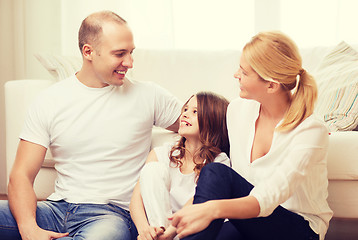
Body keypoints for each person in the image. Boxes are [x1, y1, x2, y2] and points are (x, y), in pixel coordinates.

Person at [0, 10, 182, 240]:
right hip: (56, 210)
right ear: (88, 52)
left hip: (111, 216)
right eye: (120, 54)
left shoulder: (149, 95)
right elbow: (21, 175)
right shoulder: (50, 100)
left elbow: (204, 123)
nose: (129, 62)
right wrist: (30, 230)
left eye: (131, 52)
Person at [170, 31, 333, 240]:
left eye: (244, 72)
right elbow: (220, 184)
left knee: (216, 175)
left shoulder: (310, 130)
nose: (236, 74)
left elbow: (268, 196)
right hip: (249, 221)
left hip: (298, 229)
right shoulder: (238, 110)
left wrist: (213, 209)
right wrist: (174, 228)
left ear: (271, 85)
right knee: (216, 175)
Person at [129, 92, 231, 240]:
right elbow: (136, 198)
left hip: (190, 231)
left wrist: (171, 232)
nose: (185, 114)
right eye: (185, 109)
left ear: (212, 121)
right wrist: (144, 230)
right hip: (158, 228)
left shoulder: (219, 162)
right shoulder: (161, 153)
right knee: (152, 170)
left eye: (195, 112)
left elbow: (198, 200)